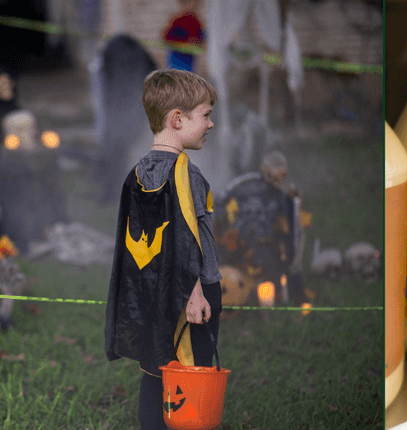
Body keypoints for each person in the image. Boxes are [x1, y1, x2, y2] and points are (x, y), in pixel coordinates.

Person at [104, 69, 223, 429]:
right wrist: (196, 294)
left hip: (151, 294)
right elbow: (188, 241)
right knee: (192, 374)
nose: (211, 124)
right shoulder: (186, 174)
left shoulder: (137, 172)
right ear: (177, 119)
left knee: (157, 370)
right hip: (192, 295)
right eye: (205, 115)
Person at [162, 0, 205, 72]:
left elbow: (201, 39)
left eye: (196, 4)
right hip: (176, 55)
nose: (192, 6)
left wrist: (196, 45)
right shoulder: (176, 19)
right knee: (174, 75)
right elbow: (166, 36)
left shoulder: (196, 21)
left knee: (187, 77)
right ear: (181, 3)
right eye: (188, 3)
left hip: (188, 58)